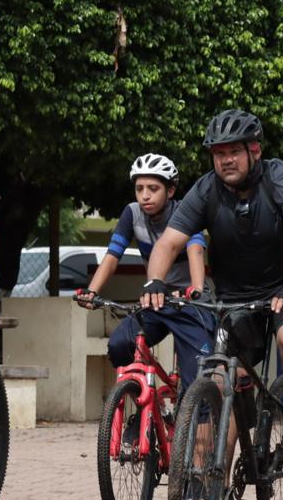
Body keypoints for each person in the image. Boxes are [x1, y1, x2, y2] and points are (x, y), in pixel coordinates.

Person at [141, 109, 283, 456]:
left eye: (233, 151)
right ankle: (211, 486)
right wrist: (154, 281)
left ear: (254, 150)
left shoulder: (281, 178)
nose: (226, 160)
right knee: (218, 380)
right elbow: (168, 243)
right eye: (218, 153)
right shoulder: (206, 190)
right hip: (236, 294)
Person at [75, 153, 213, 391]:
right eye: (139, 188)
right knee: (120, 345)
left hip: (189, 302)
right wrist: (91, 291)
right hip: (155, 300)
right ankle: (145, 407)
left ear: (170, 191)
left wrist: (197, 289)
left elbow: (196, 251)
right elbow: (112, 256)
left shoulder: (186, 212)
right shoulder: (132, 213)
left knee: (197, 378)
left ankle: (190, 418)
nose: (145, 195)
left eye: (153, 188)